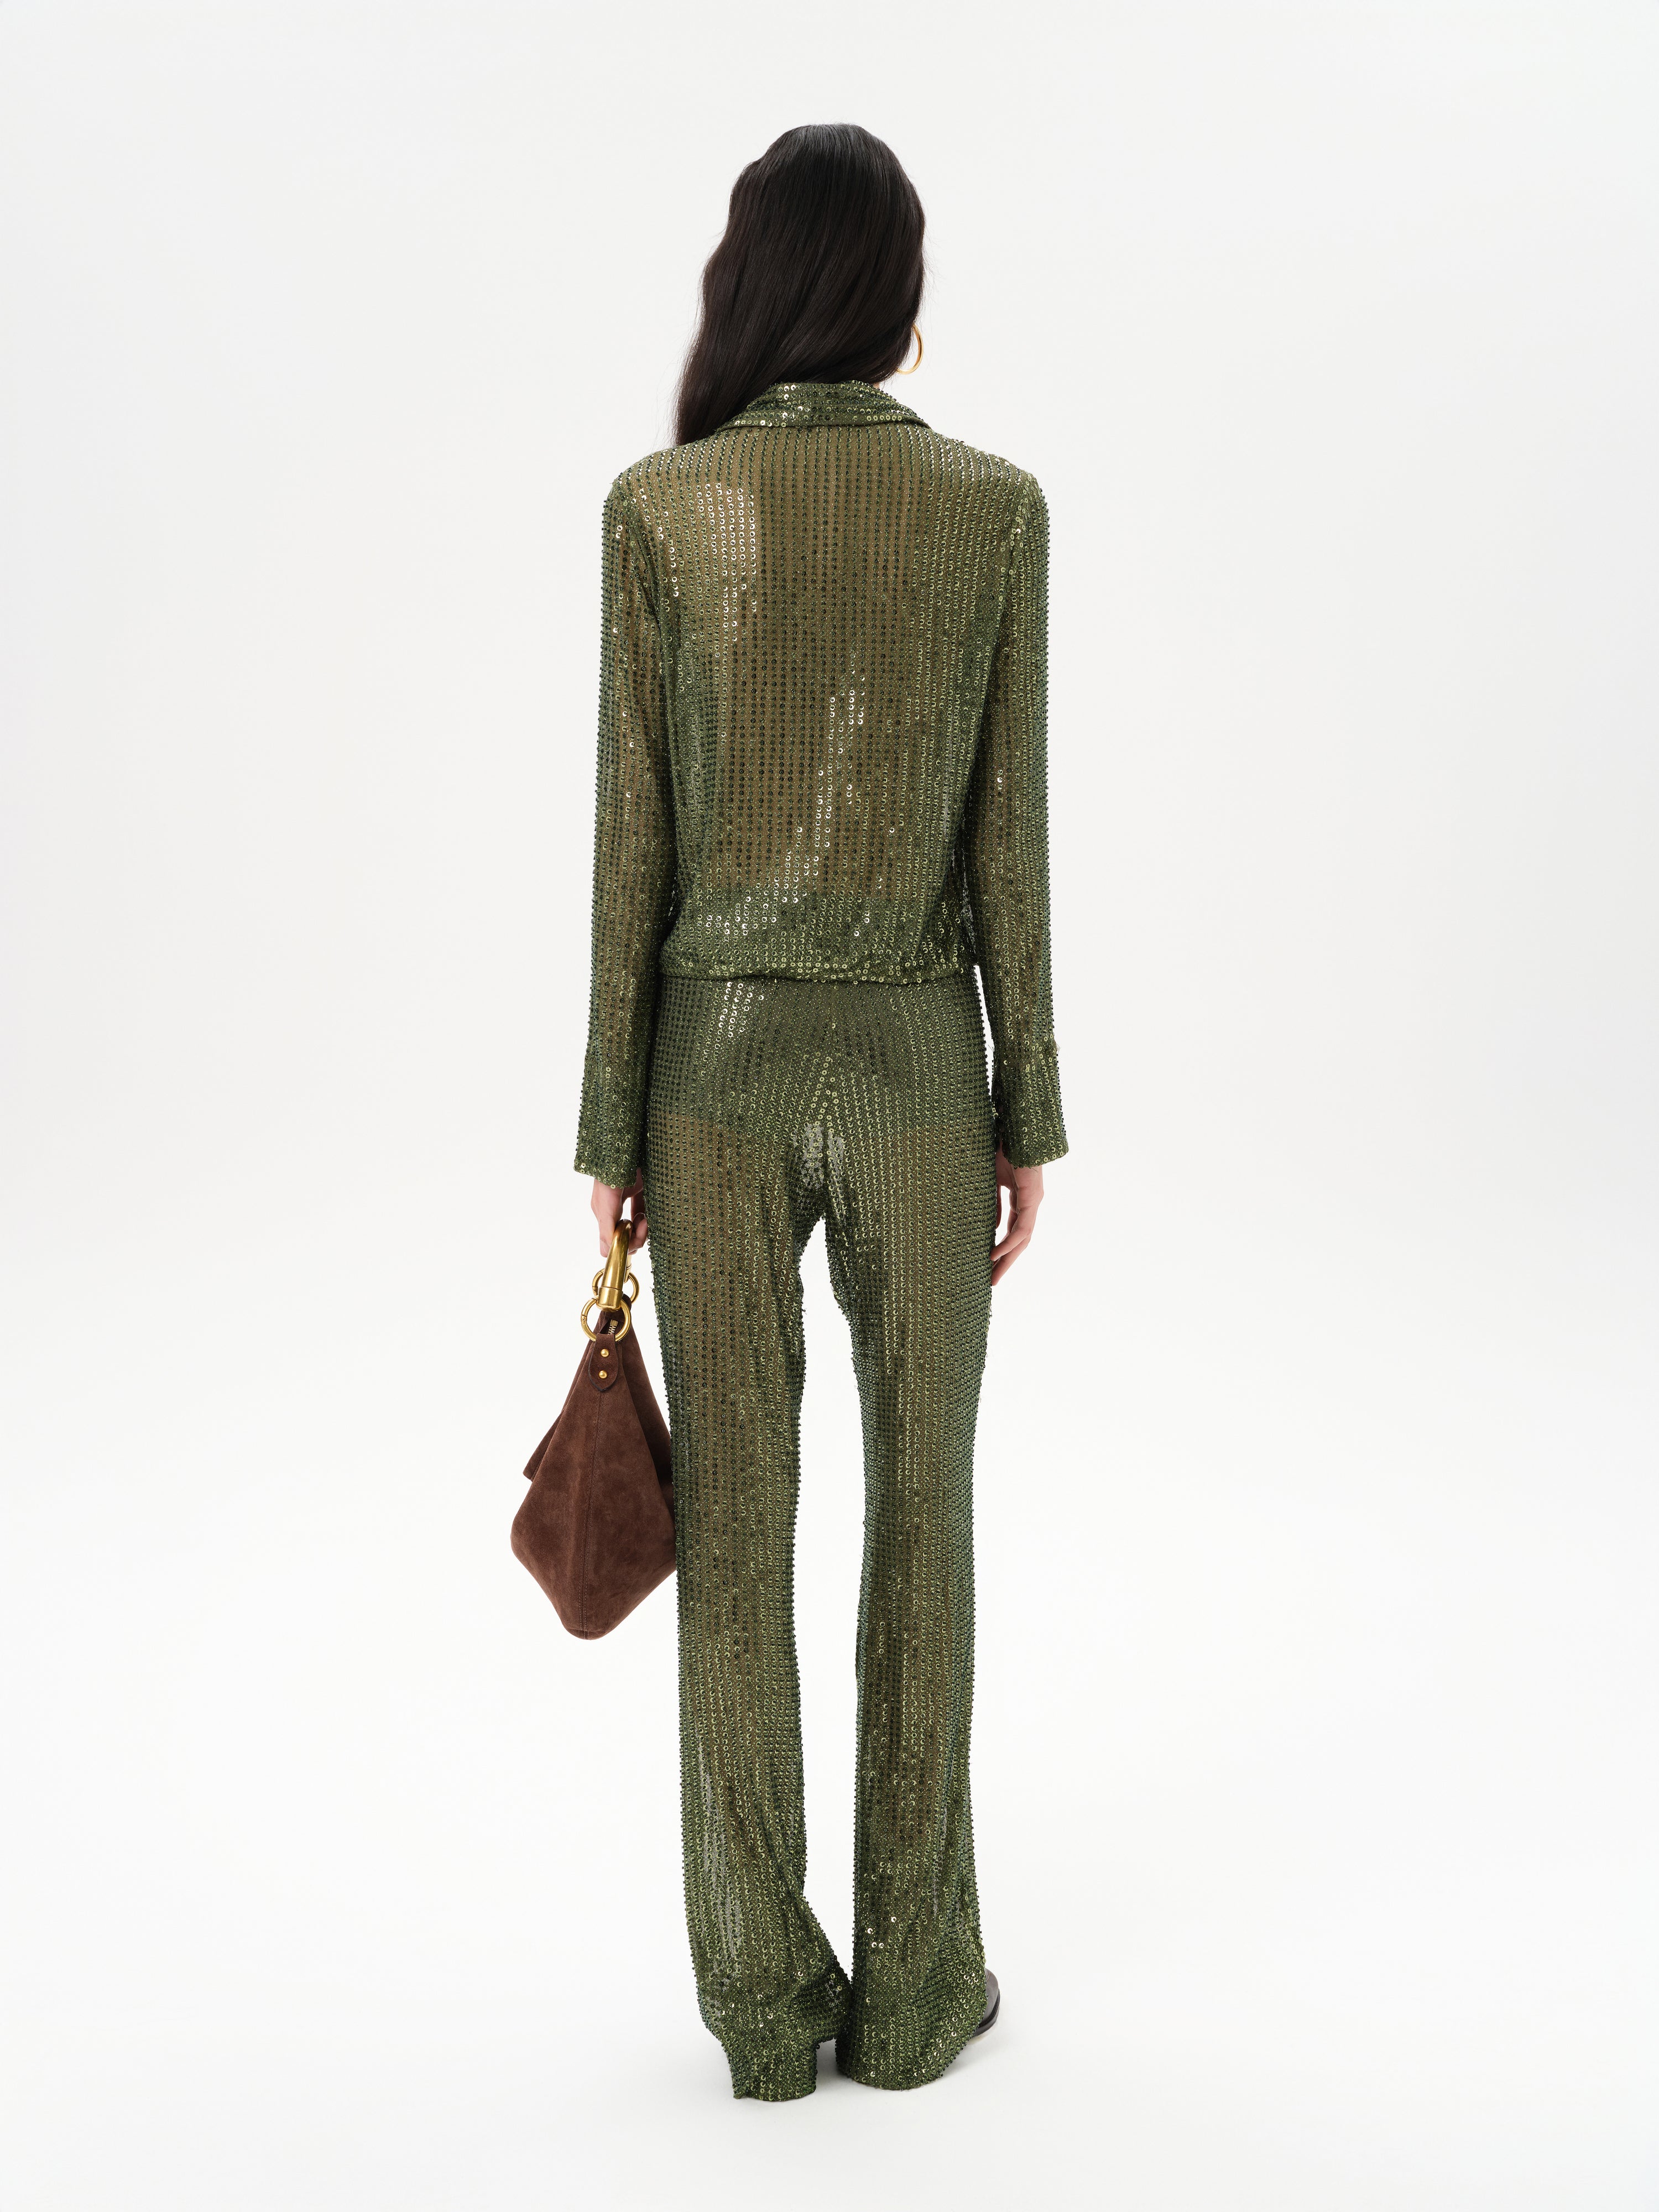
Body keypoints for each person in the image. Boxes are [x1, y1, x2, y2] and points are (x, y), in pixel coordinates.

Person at [572, 122, 1068, 2100]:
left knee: (739, 1528)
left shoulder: (660, 510)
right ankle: (921, 1988)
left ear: (755, 278)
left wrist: (609, 1131)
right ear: (897, 292)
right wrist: (1030, 1106)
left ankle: (767, 2015)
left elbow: (632, 848)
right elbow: (1010, 840)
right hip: (921, 1063)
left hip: (706, 1072)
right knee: (927, 1517)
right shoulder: (997, 513)